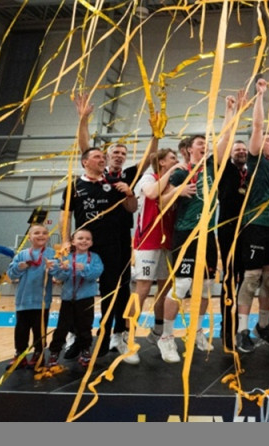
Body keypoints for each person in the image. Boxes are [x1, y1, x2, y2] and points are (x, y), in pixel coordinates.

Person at [156, 93, 238, 363]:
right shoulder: (181, 171)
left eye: (206, 143)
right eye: (200, 144)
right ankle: (166, 337)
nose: (205, 146)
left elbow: (226, 139)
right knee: (181, 285)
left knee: (205, 288)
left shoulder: (212, 167)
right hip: (186, 233)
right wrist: (177, 191)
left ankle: (196, 331)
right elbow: (161, 201)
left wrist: (230, 110)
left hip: (208, 235)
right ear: (189, 150)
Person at [70, 93, 153, 358]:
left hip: (118, 240)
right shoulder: (97, 174)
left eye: (123, 153)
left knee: (119, 288)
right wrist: (83, 119)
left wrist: (156, 134)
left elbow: (148, 159)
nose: (119, 155)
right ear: (105, 157)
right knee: (79, 286)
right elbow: (85, 148)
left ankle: (118, 333)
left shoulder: (128, 176)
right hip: (89, 240)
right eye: (114, 152)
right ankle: (76, 334)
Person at [60, 145, 138, 360]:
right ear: (85, 162)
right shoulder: (74, 186)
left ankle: (105, 336)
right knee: (78, 291)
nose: (102, 159)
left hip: (111, 246)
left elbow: (132, 208)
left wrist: (130, 193)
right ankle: (76, 336)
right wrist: (66, 240)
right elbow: (65, 215)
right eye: (97, 156)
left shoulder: (113, 184)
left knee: (110, 291)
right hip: (84, 247)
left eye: (104, 157)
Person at [234, 78, 269, 352]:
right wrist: (260, 95)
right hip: (255, 226)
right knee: (252, 278)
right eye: (268, 140)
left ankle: (264, 326)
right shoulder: (255, 161)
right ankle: (242, 330)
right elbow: (258, 127)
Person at [123, 148, 186, 364]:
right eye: (172, 159)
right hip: (148, 240)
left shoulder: (175, 182)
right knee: (142, 289)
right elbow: (151, 194)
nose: (176, 161)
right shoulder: (149, 177)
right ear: (161, 162)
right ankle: (128, 337)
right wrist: (170, 174)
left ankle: (158, 331)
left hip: (168, 241)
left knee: (164, 290)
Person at [46, 229, 104, 368]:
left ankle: (85, 351)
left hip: (86, 299)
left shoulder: (94, 258)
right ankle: (54, 352)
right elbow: (60, 277)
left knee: (85, 327)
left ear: (92, 242)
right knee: (62, 327)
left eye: (87, 239)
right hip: (67, 299)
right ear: (73, 241)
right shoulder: (66, 257)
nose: (84, 241)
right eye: (80, 238)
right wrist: (61, 269)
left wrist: (84, 268)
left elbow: (95, 274)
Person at [6, 225, 59, 368]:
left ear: (48, 236)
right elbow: (11, 275)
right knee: (21, 330)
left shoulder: (52, 254)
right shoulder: (21, 255)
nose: (41, 235)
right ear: (29, 238)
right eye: (37, 233)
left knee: (39, 330)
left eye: (44, 233)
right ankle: (20, 354)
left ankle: (39, 354)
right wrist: (19, 267)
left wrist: (53, 267)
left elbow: (60, 275)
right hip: (23, 301)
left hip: (42, 302)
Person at [216, 137, 249, 352]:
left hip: (248, 230)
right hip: (228, 229)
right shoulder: (225, 170)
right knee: (229, 279)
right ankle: (227, 328)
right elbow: (220, 151)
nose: (241, 152)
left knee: (246, 280)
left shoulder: (249, 172)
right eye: (237, 150)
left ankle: (242, 329)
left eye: (243, 150)